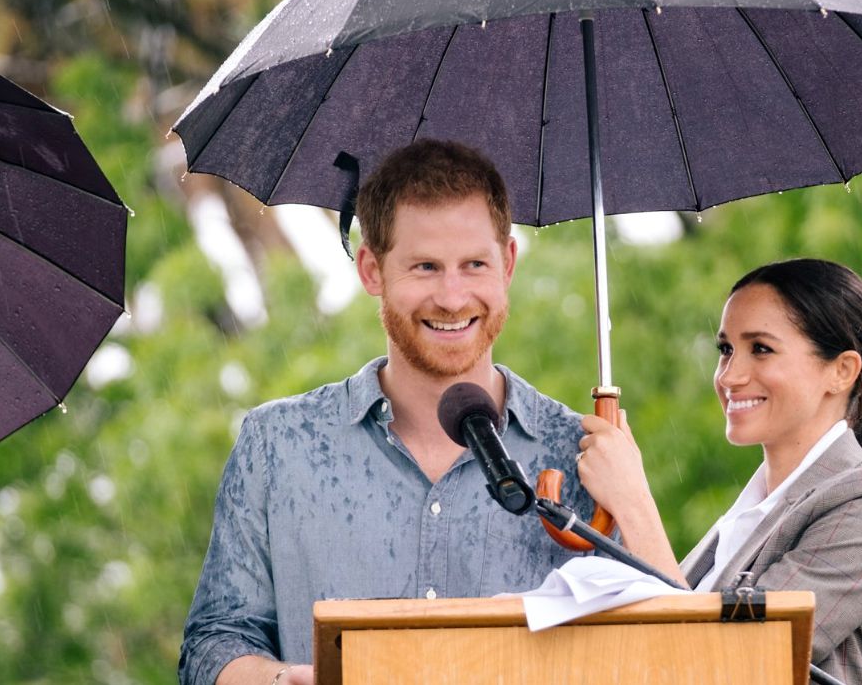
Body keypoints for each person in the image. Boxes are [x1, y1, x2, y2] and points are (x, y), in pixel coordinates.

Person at [179, 140, 592, 685]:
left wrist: (631, 501)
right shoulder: (277, 444)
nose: (452, 296)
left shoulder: (581, 453)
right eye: (425, 266)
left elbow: (652, 648)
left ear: (508, 263)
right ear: (371, 269)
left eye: (474, 264)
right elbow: (212, 645)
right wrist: (290, 681)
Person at [577, 258, 862, 685]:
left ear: (841, 371)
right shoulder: (746, 518)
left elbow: (731, 663)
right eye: (726, 349)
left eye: (761, 348)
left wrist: (633, 505)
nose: (729, 376)